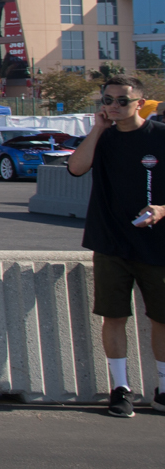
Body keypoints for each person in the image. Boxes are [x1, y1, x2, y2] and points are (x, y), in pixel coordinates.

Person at [66, 74, 165, 418]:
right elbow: (76, 168)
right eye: (107, 100)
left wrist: (162, 209)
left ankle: (163, 388)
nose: (113, 107)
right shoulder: (102, 138)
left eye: (122, 101)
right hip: (109, 242)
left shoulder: (160, 136)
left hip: (156, 244)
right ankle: (120, 388)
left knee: (161, 319)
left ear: (140, 103)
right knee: (114, 316)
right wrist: (97, 129)